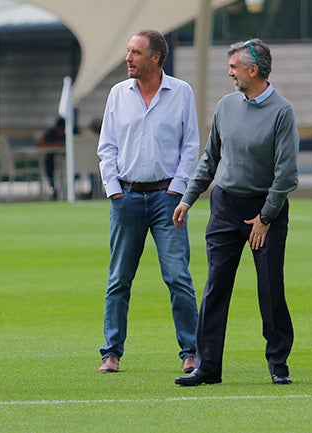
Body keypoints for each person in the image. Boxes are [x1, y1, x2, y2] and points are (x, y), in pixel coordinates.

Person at [173, 38, 299, 386]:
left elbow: (286, 174)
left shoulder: (282, 112)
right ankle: (207, 367)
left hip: (265, 210)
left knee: (270, 289)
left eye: (234, 67)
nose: (229, 72)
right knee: (215, 287)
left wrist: (267, 217)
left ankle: (278, 364)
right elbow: (209, 159)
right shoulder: (226, 106)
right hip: (226, 207)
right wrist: (187, 198)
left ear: (253, 70)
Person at [97, 30, 200, 374]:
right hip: (125, 197)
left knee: (177, 277)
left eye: (135, 52)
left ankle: (192, 351)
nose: (128, 58)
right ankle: (110, 352)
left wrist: (178, 189)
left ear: (155, 58)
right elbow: (107, 146)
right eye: (128, 51)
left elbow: (190, 146)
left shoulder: (181, 92)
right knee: (119, 279)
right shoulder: (117, 94)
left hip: (166, 199)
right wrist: (113, 188)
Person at [35, 117, 65, 200]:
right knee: (49, 163)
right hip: (53, 160)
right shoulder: (52, 133)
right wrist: (56, 145)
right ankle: (53, 188)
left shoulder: (71, 133)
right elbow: (39, 144)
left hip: (68, 161)